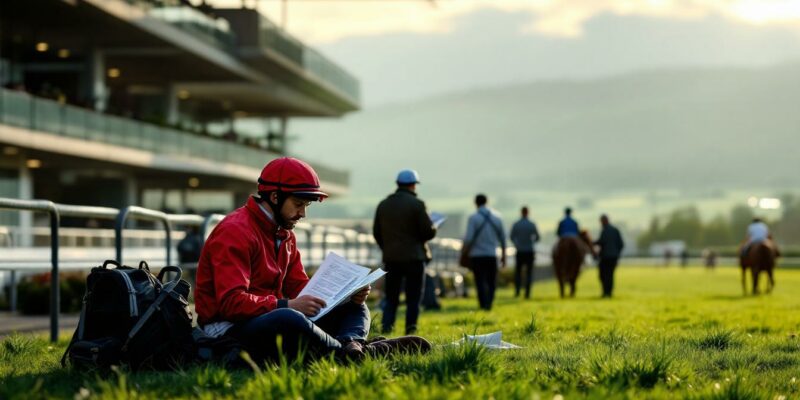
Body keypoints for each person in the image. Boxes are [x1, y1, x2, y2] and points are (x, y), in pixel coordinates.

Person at [195, 157, 431, 364]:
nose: (303, 213)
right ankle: (351, 352)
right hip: (228, 328)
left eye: (306, 206)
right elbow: (231, 303)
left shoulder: (285, 234)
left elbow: (299, 287)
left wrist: (345, 295)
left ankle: (353, 346)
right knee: (288, 317)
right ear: (275, 197)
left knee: (355, 306)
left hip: (267, 316)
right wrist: (286, 305)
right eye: (298, 204)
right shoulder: (235, 231)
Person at [373, 169, 437, 334]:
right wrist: (434, 226)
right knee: (413, 298)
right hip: (415, 258)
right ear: (413, 185)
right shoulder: (418, 204)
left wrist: (387, 248)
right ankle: (410, 330)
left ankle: (387, 328)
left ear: (398, 184)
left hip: (391, 259)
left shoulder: (383, 204)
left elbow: (377, 232)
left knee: (391, 297)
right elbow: (427, 233)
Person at [463, 194, 505, 310]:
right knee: (491, 281)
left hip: (477, 255)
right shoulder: (497, 217)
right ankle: (489, 302)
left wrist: (464, 252)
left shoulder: (473, 218)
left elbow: (468, 238)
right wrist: (504, 255)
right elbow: (503, 239)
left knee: (479, 280)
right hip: (492, 254)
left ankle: (482, 303)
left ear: (475, 203)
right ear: (487, 202)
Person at [509, 206, 539, 299]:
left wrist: (517, 243)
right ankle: (527, 293)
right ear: (528, 212)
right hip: (529, 251)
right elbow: (537, 237)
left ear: (521, 212)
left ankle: (517, 291)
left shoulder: (516, 224)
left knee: (518, 272)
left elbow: (511, 237)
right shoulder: (532, 224)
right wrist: (531, 242)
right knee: (529, 273)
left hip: (519, 251)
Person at [593, 214, 625, 298]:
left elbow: (601, 242)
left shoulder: (605, 231)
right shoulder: (615, 230)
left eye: (601, 221)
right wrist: (617, 254)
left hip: (605, 257)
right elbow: (621, 244)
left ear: (604, 221)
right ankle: (609, 292)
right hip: (613, 257)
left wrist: (592, 243)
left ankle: (605, 292)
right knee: (610, 275)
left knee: (603, 275)